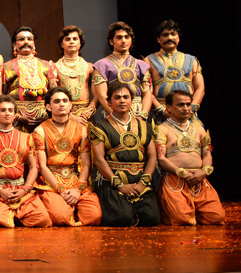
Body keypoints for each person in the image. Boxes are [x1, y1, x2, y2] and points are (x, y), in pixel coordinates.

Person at [90, 81, 160, 226]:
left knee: (151, 218)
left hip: (139, 179)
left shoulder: (145, 126)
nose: (122, 100)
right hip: (111, 179)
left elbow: (153, 157)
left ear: (132, 101)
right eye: (117, 97)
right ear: (109, 102)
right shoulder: (100, 127)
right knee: (123, 219)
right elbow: (98, 160)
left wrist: (142, 183)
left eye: (125, 97)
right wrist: (120, 185)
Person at [0, 96, 51, 228]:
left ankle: (13, 215)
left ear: (15, 114)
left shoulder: (27, 138)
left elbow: (34, 167)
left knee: (42, 219)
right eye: (3, 110)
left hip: (21, 190)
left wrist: (25, 189)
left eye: (10, 110)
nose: (7, 113)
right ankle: (14, 216)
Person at [33, 87, 102, 227]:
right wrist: (61, 190)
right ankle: (67, 209)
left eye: (65, 101)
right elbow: (42, 166)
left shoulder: (81, 129)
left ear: (71, 105)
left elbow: (87, 164)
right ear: (48, 106)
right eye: (57, 101)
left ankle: (73, 208)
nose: (62, 104)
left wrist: (77, 189)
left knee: (94, 216)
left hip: (75, 180)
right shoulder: (40, 131)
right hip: (51, 182)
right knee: (60, 217)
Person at [154, 90, 224, 225]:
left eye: (188, 104)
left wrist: (203, 172)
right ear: (168, 107)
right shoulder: (162, 129)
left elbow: (207, 154)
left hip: (199, 181)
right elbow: (161, 158)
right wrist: (182, 173)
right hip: (175, 181)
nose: (186, 108)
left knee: (217, 218)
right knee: (182, 220)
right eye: (180, 105)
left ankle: (195, 209)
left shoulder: (199, 129)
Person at [0, 27, 58, 130]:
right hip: (16, 119)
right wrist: (17, 117)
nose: (26, 42)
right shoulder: (6, 67)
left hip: (44, 119)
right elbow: (1, 98)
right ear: (14, 45)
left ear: (34, 44)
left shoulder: (48, 65)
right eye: (21, 39)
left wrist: (47, 115)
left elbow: (54, 95)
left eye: (29, 39)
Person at [147, 20, 205, 122]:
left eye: (173, 34)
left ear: (178, 37)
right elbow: (146, 91)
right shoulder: (148, 61)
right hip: (162, 114)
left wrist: (191, 108)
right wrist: (162, 110)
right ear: (158, 39)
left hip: (188, 113)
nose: (170, 38)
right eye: (165, 35)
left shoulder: (192, 60)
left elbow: (200, 88)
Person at [92, 21, 153, 120]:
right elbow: (102, 96)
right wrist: (117, 116)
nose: (123, 40)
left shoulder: (142, 65)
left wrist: (143, 116)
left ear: (131, 40)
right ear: (111, 41)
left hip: (138, 115)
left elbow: (147, 94)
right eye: (119, 37)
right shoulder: (102, 65)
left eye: (127, 37)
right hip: (114, 115)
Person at [53, 26, 96, 123]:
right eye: (67, 39)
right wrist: (70, 116)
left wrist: (87, 114)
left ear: (80, 43)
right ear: (61, 44)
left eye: (75, 39)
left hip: (86, 117)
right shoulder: (54, 67)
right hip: (63, 116)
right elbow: (53, 96)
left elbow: (98, 96)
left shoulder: (90, 67)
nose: (71, 41)